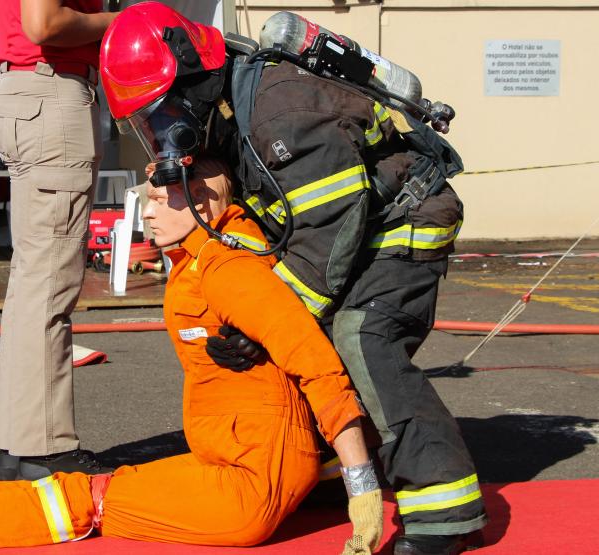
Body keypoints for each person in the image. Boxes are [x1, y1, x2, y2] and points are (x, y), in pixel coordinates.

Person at [0, 159, 385, 553]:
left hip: (247, 490)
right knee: (98, 488)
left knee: (84, 499)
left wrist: (362, 489)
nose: (151, 209)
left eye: (167, 197)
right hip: (230, 463)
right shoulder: (203, 260)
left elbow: (316, 363)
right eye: (152, 196)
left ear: (209, 201)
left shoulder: (230, 271)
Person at [98, 4, 486, 554]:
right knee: (307, 344)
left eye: (160, 114)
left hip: (406, 220)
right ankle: (330, 468)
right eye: (145, 124)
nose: (161, 132)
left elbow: (331, 226)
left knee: (360, 337)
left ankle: (443, 511)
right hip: (352, 228)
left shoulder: (280, 112)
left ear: (191, 78)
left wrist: (270, 319)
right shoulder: (228, 107)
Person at [0, 0, 117, 480]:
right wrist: (115, 21)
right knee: (48, 285)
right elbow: (44, 24)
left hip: (34, 92)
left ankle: (23, 447)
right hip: (51, 91)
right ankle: (43, 451)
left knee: (32, 285)